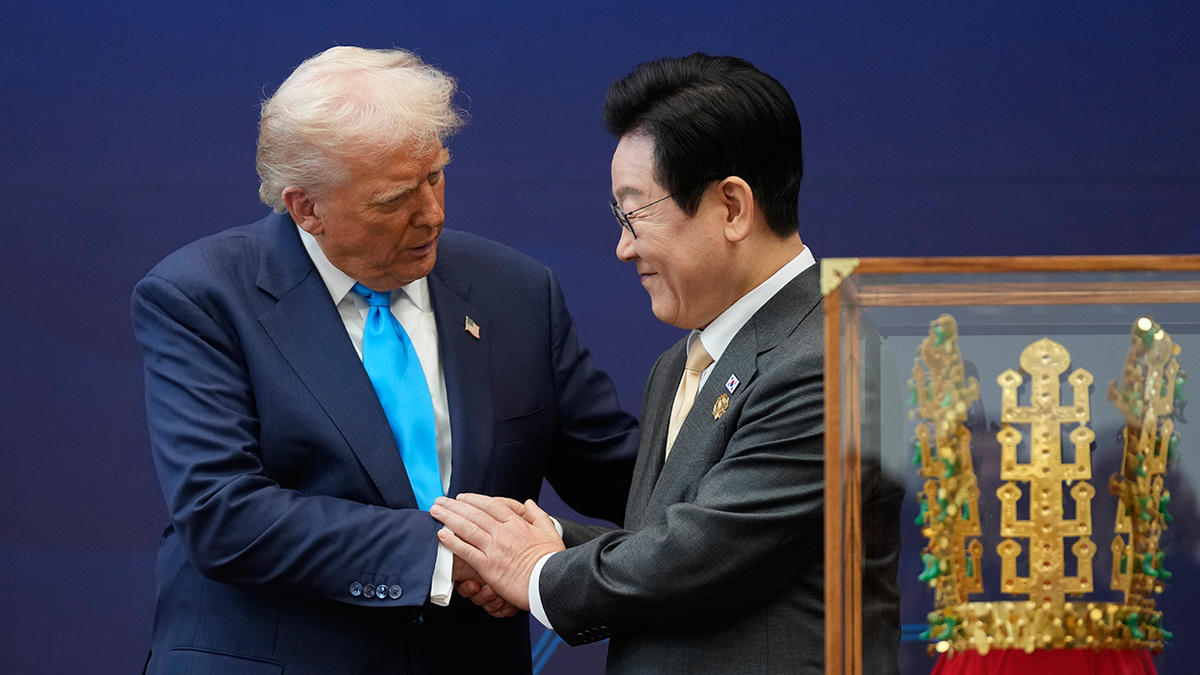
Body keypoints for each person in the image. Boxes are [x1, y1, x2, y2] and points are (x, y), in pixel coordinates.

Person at [131, 46, 638, 675]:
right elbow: (223, 514)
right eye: (394, 198)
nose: (433, 213)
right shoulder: (201, 296)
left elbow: (625, 476)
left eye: (436, 175)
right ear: (305, 208)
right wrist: (462, 555)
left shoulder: (515, 289)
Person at [433, 53, 900, 674]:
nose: (623, 248)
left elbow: (704, 559)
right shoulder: (680, 363)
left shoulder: (829, 361)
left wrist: (535, 569)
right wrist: (540, 540)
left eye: (636, 214)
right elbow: (673, 544)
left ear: (732, 207)